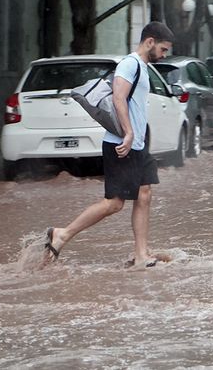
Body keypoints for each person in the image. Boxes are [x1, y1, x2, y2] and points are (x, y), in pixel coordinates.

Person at [44, 21, 174, 268]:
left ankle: (141, 254)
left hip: (137, 143)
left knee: (144, 194)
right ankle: (62, 234)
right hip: (123, 143)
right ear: (150, 42)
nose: (164, 54)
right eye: (163, 49)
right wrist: (127, 133)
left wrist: (134, 137)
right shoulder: (130, 64)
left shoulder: (143, 67)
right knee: (114, 203)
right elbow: (118, 97)